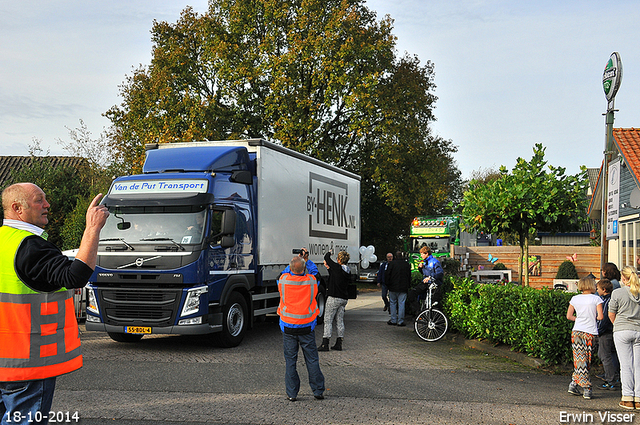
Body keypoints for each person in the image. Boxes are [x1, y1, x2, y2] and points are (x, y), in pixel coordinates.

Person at [0, 183, 109, 424]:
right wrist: (92, 228)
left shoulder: (4, 241)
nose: (47, 205)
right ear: (18, 208)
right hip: (25, 365)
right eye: (39, 200)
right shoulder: (30, 247)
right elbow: (75, 276)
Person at [277, 256, 325, 402]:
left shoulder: (283, 280)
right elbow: (316, 273)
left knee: (290, 362)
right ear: (304, 269)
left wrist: (293, 263)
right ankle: (318, 391)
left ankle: (292, 394)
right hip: (306, 328)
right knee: (312, 360)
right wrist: (306, 260)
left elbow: (285, 272)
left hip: (288, 327)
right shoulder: (311, 281)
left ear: (290, 269)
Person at [566, 275, 604, 400]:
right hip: (590, 332)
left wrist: (579, 319)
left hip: (577, 331)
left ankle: (574, 383)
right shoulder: (596, 299)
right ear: (591, 286)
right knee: (586, 360)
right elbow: (600, 317)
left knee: (579, 359)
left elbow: (569, 316)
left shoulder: (575, 298)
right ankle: (587, 387)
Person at [609, 266, 640, 410]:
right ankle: (638, 398)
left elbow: (611, 314)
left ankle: (627, 397)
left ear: (623, 278)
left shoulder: (617, 292)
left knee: (626, 365)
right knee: (638, 366)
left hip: (622, 330)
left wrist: (618, 326)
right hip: (638, 330)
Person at [318, 250, 350, 351]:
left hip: (334, 297)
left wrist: (329, 252)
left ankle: (325, 343)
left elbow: (326, 258)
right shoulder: (347, 270)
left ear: (339, 260)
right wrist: (329, 268)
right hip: (343, 298)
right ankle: (339, 342)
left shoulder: (337, 267)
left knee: (328, 320)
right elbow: (335, 276)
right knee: (339, 320)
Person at [595, 279, 620, 390]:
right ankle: (615, 377)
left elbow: (604, 319)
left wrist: (598, 331)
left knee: (605, 356)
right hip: (612, 331)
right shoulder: (611, 299)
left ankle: (611, 380)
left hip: (606, 332)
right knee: (610, 354)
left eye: (598, 289)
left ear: (604, 290)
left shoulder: (605, 301)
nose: (597, 290)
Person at [408, 246, 444, 316]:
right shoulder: (425, 262)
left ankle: (430, 318)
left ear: (426, 253)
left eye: (422, 254)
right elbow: (425, 274)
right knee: (411, 294)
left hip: (434, 285)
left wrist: (430, 278)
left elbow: (440, 273)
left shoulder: (435, 262)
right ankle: (419, 313)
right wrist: (420, 269)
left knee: (433, 305)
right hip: (425, 284)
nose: (420, 256)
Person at [384, 251, 411, 327]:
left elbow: (387, 275)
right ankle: (400, 321)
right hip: (403, 288)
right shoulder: (406, 265)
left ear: (395, 257)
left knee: (392, 303)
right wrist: (408, 285)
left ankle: (393, 320)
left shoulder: (391, 264)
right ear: (402, 257)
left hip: (393, 287)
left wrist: (387, 284)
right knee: (402, 303)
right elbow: (409, 276)